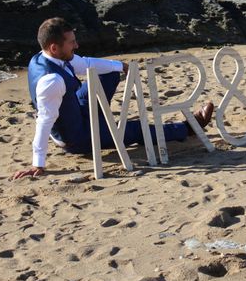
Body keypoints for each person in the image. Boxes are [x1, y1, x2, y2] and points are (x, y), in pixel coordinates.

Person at [13, 17, 214, 179]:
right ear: (54, 48)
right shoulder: (51, 81)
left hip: (77, 109)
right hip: (77, 137)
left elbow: (85, 64)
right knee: (134, 129)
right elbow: (44, 121)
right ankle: (187, 128)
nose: (77, 44)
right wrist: (37, 163)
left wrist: (119, 66)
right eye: (71, 42)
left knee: (107, 72)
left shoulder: (44, 55)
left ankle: (101, 118)